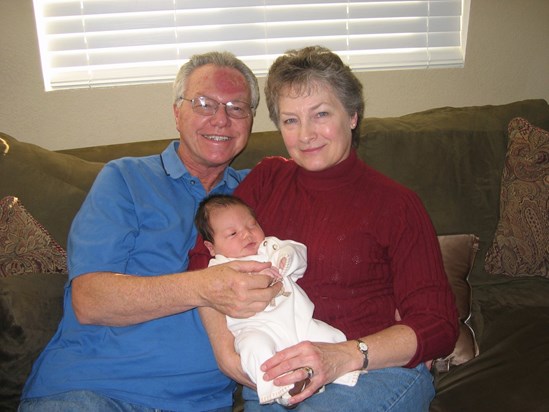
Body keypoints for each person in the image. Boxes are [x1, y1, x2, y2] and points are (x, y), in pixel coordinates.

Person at [189, 46, 459, 411]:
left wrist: (345, 355)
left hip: (371, 370)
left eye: (321, 114)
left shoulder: (397, 205)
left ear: (352, 115)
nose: (305, 135)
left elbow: (438, 324)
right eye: (290, 120)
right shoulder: (268, 179)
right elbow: (201, 264)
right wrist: (226, 352)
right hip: (279, 368)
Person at [19, 51, 282, 412]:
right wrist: (206, 286)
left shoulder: (259, 194)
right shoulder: (125, 178)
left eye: (237, 107)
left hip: (201, 404)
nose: (221, 119)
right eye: (204, 103)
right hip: (91, 392)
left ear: (250, 120)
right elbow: (90, 299)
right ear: (177, 112)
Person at [194, 194, 359, 406]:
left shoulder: (270, 248)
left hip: (298, 321)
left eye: (252, 225)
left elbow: (299, 254)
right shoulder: (218, 268)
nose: (247, 235)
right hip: (254, 328)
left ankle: (345, 374)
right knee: (254, 348)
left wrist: (286, 258)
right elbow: (208, 294)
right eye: (233, 233)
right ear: (212, 248)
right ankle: (280, 389)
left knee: (328, 336)